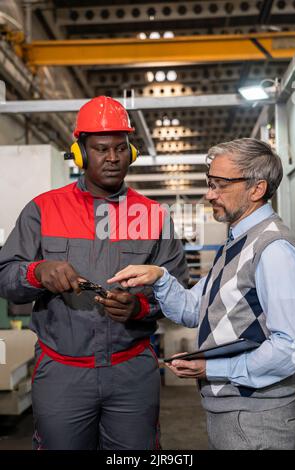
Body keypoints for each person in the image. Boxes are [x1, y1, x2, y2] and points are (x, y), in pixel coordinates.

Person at [0, 96, 188, 450]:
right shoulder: (43, 209)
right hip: (62, 373)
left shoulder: (153, 216)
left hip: (131, 372)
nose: (113, 158)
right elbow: (5, 275)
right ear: (81, 152)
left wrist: (140, 309)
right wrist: (37, 272)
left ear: (131, 152)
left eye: (120, 148)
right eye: (101, 149)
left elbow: (177, 291)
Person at [106, 138, 295, 450]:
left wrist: (213, 369)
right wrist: (160, 277)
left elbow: (291, 348)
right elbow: (194, 308)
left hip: (258, 419)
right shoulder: (237, 242)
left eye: (221, 184)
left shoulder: (273, 249)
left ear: (257, 189)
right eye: (209, 183)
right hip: (233, 413)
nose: (209, 194)